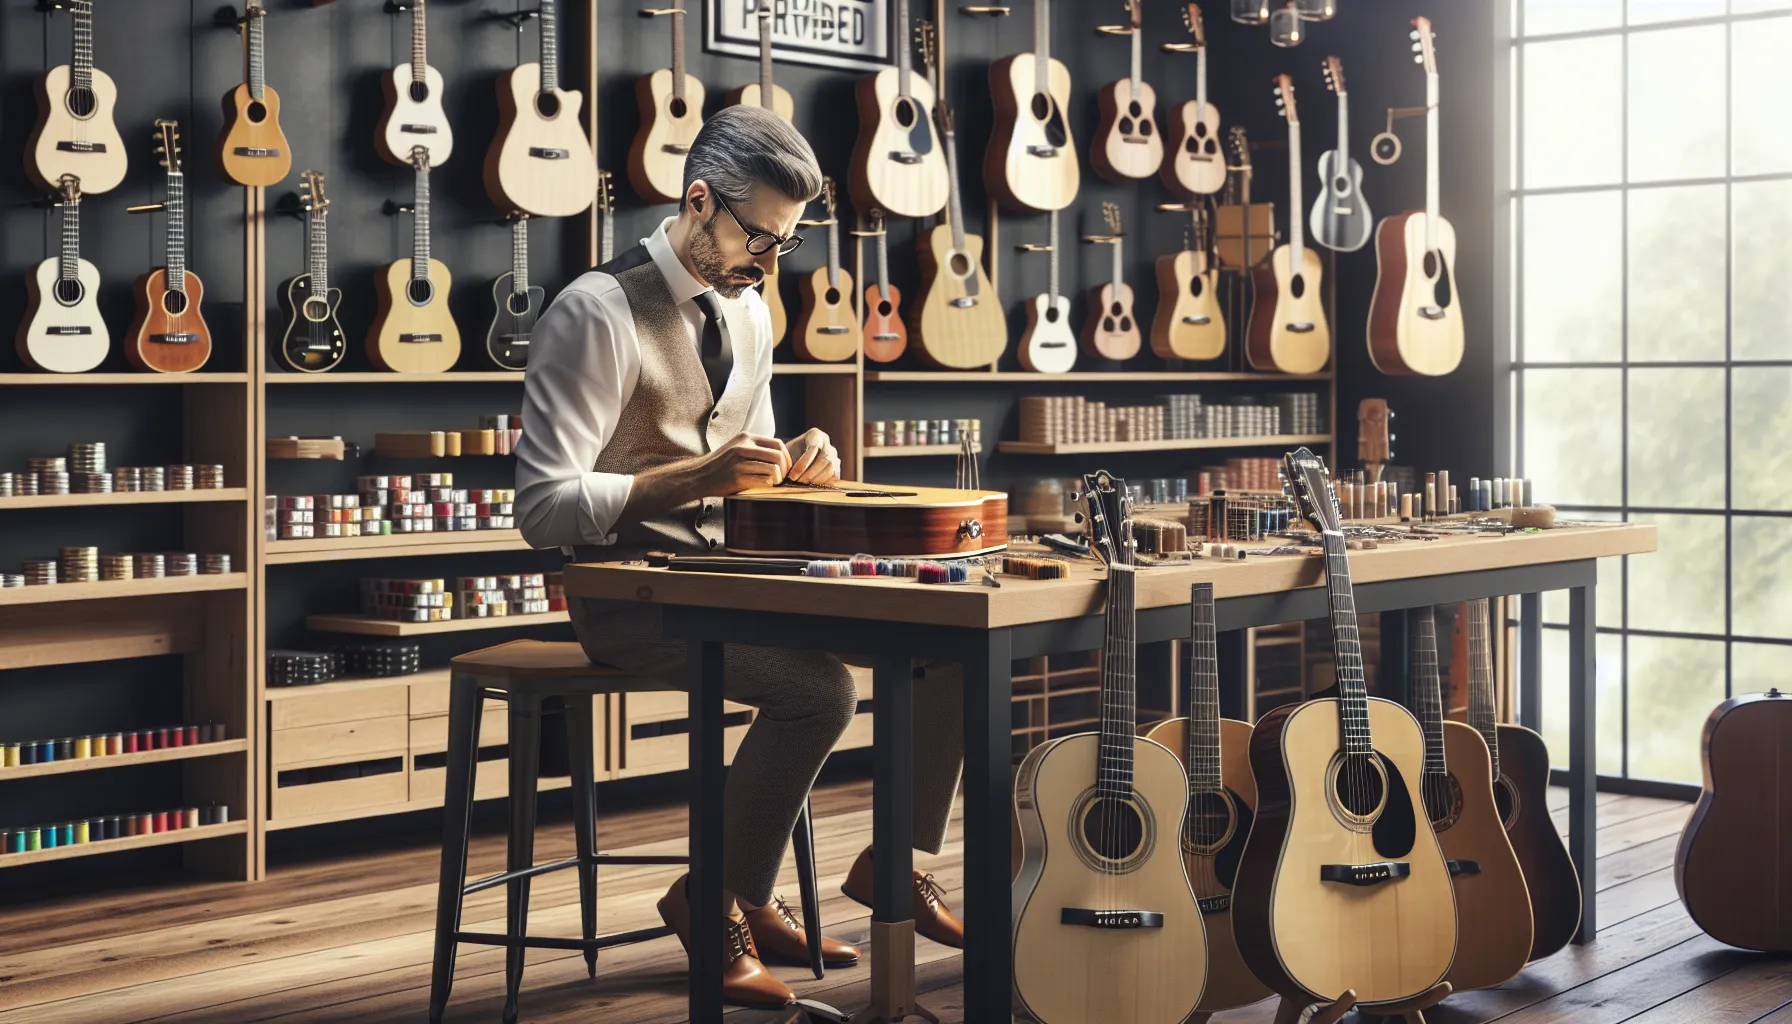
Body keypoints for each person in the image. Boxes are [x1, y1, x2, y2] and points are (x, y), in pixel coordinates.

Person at [516, 105, 966, 1009]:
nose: (767, 264)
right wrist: (694, 480)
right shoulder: (594, 311)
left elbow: (745, 477)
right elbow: (541, 508)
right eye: (760, 239)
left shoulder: (751, 312)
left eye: (784, 245)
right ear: (697, 203)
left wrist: (799, 467)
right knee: (821, 688)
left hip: (731, 577)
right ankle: (714, 898)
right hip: (629, 594)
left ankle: (894, 862)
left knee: (948, 639)